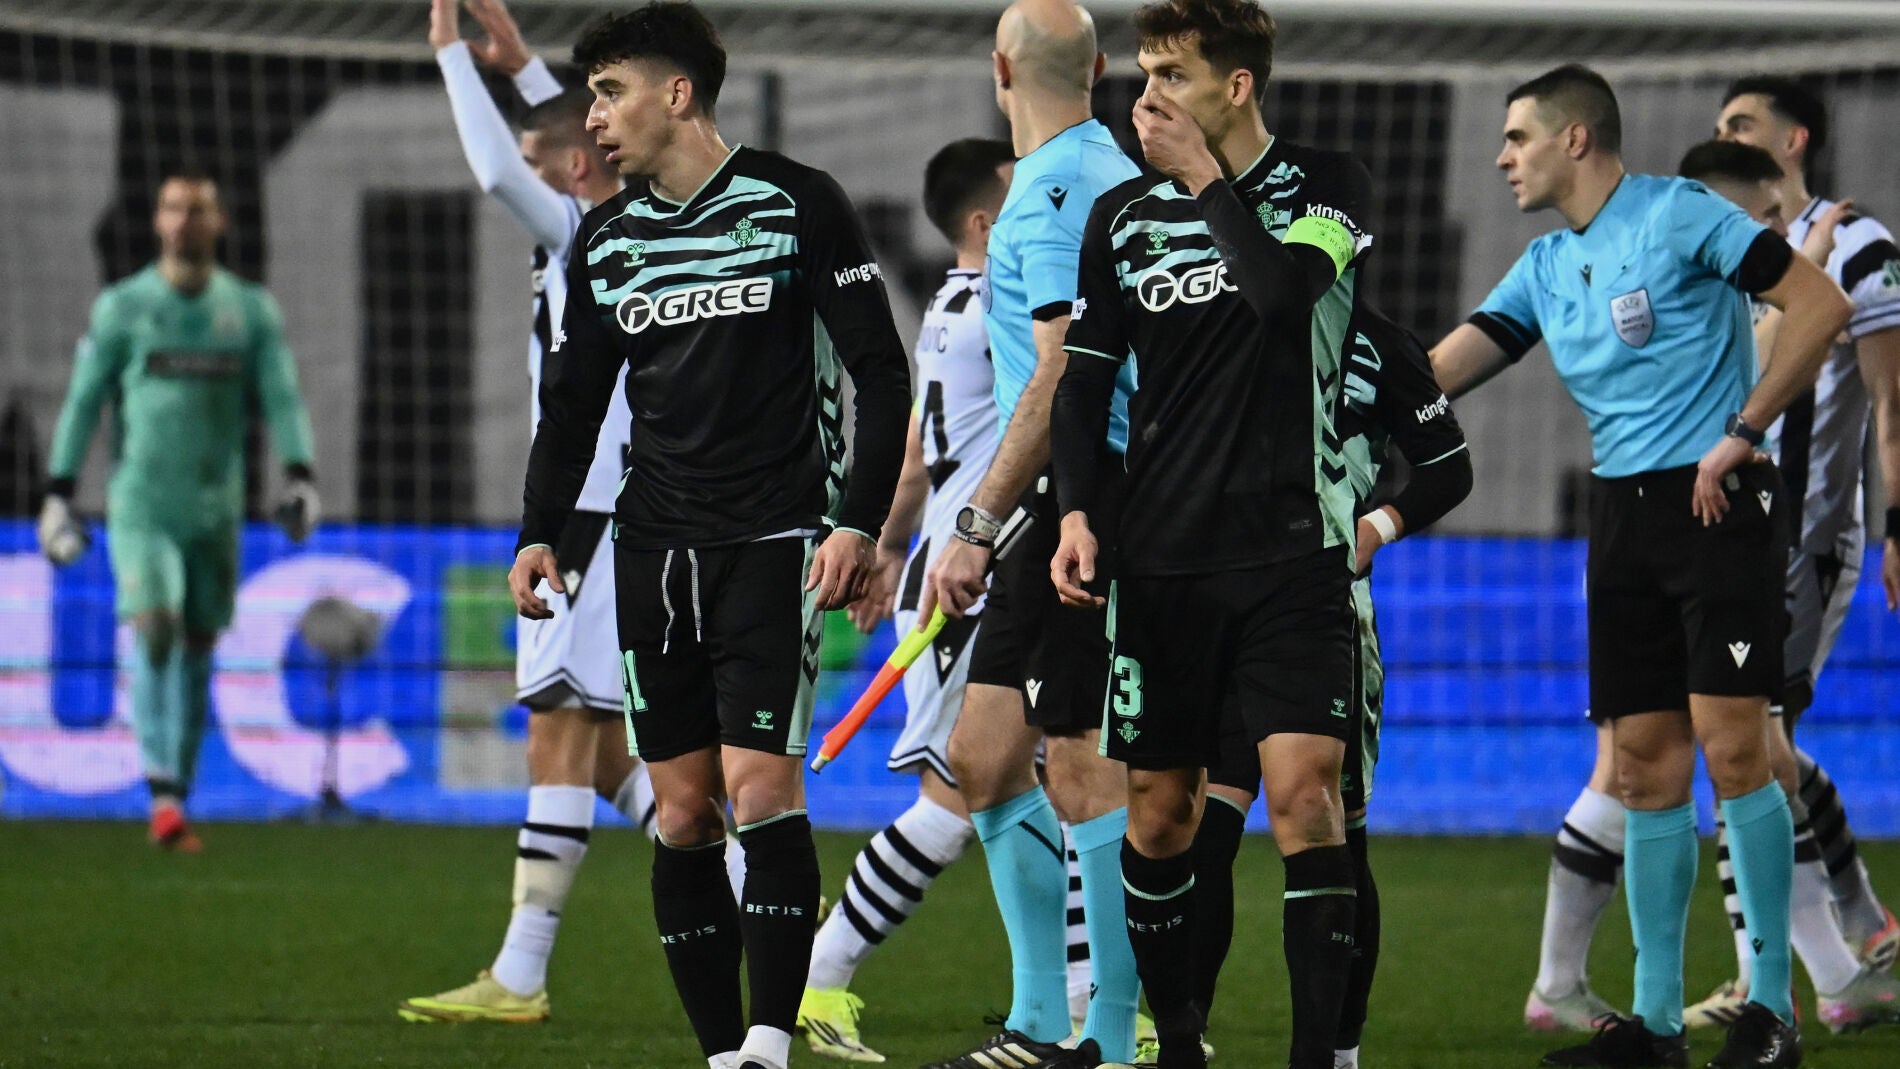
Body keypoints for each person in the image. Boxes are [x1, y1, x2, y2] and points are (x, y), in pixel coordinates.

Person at [509, 5, 911, 1069]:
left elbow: (881, 373)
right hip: (651, 552)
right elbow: (573, 407)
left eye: (610, 92)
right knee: (683, 813)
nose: (595, 117)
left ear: (677, 93)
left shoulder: (797, 203)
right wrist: (538, 531)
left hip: (774, 542)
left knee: (762, 789)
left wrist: (858, 522)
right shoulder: (608, 239)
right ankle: (723, 1051)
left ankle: (770, 1043)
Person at [1428, 64, 1851, 1068]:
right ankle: (1657, 1024)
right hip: (1622, 519)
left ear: (1576, 138)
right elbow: (1443, 369)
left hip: (1718, 507)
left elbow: (1818, 303)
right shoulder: (1544, 266)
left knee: (1737, 751)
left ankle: (1772, 1010)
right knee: (1645, 767)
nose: (1502, 158)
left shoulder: (1679, 214)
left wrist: (1746, 429)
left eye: (1518, 137)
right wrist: (1332, 384)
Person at [1049, 1, 1377, 1064]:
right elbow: (1083, 381)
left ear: (1235, 87)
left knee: (1306, 798)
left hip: (1295, 554)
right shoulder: (1120, 218)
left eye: (1172, 76)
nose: (1147, 97)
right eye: (1143, 74)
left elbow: (1282, 299)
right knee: (1158, 816)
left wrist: (1202, 178)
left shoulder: (1325, 186)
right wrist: (1075, 512)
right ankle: (1181, 1043)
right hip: (1161, 562)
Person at [399, 0, 704, 1026]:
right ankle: (765, 892)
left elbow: (500, 171)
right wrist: (525, 67)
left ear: (574, 169)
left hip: (588, 512)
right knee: (609, 755)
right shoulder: (609, 224)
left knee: (558, 734)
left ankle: (521, 973)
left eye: (548, 160)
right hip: (613, 504)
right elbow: (563, 136)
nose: (527, 177)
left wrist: (451, 58)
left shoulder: (585, 233)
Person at [915, 3, 1143, 1067]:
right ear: (1096, 70)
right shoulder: (1109, 167)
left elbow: (1060, 372)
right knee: (985, 754)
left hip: (1078, 501)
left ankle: (1111, 1034)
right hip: (1061, 499)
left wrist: (975, 520)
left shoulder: (1050, 195)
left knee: (1083, 765)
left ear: (998, 68)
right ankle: (1042, 1022)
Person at [1191, 305, 1472, 1069]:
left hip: (1324, 614)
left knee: (1335, 835)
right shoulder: (1221, 319)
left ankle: (1336, 1054)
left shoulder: (1380, 344)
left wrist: (1375, 526)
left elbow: (1449, 465)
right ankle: (1179, 1035)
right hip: (1218, 604)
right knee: (1199, 828)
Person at [1682, 77, 1900, 1032]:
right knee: (1758, 743)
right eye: (1721, 124)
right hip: (1730, 535)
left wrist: (1897, 526)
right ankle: (1854, 932)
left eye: (1744, 122)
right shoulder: (1720, 244)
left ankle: (1776, 972)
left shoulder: (1860, 247)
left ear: (1795, 139)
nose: (1726, 134)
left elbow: (1892, 403)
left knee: (1749, 745)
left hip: (1805, 538)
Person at [795, 137, 1015, 1064]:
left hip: (956, 565)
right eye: (1026, 191)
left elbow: (922, 451)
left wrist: (888, 547)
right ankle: (819, 971)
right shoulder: (1001, 306)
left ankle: (1090, 1004)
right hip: (970, 580)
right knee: (957, 801)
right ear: (984, 220)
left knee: (1056, 789)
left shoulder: (946, 308)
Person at [38, 172, 318, 853]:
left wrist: (301, 474)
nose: (183, 220)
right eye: (172, 208)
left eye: (197, 209)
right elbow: (84, 400)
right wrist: (57, 491)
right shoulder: (123, 307)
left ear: (219, 223)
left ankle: (174, 795)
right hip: (143, 503)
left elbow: (281, 395)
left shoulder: (248, 310)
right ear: (157, 221)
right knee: (156, 624)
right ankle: (161, 788)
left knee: (197, 644)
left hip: (216, 508)